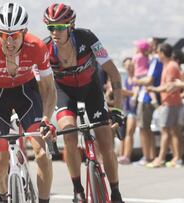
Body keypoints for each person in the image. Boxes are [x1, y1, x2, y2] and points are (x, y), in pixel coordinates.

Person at [0, 3, 57, 203]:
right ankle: (6, 198)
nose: (9, 41)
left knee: (42, 154)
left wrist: (46, 119)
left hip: (26, 93)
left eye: (15, 35)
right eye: (3, 35)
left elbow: (49, 89)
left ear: (24, 32)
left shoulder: (37, 47)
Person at [43, 3, 124, 202]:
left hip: (91, 90)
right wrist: (44, 118)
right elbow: (41, 88)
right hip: (64, 93)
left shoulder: (87, 38)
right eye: (51, 27)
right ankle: (77, 189)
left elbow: (113, 73)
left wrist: (117, 109)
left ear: (71, 26)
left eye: (60, 27)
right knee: (69, 135)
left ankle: (115, 192)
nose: (55, 32)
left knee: (105, 143)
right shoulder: (44, 48)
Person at [146, 43, 182, 168]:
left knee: (165, 131)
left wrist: (153, 89)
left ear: (162, 53)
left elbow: (169, 87)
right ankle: (176, 158)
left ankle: (161, 158)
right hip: (171, 102)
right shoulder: (169, 65)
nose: (157, 54)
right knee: (173, 131)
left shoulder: (171, 65)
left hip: (170, 103)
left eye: (158, 52)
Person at [132, 39, 163, 166]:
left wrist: (136, 81)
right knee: (147, 129)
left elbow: (149, 80)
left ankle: (147, 157)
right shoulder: (153, 60)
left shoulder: (155, 61)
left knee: (143, 128)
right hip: (149, 98)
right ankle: (151, 156)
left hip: (146, 99)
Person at [118, 57, 137, 164]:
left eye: (131, 64)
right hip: (125, 109)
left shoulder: (136, 79)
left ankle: (127, 156)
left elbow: (133, 93)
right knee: (123, 134)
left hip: (133, 110)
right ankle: (122, 155)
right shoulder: (126, 79)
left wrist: (122, 91)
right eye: (127, 65)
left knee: (130, 132)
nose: (129, 67)